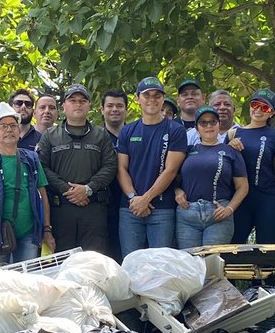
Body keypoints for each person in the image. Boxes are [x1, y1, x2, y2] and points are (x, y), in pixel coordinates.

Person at [37, 84, 117, 253]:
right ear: (64, 107)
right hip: (61, 211)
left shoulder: (101, 135)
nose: (78, 104)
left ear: (89, 106)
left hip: (93, 209)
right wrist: (67, 189)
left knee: (94, 263)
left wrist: (89, 188)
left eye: (82, 101)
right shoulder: (50, 135)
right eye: (72, 100)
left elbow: (110, 165)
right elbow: (42, 167)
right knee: (63, 264)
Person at [0, 103, 54, 263]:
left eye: (13, 125)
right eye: (3, 126)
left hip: (29, 233)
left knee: (26, 282)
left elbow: (42, 195)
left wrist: (47, 230)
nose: (9, 130)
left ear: (19, 130)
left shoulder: (31, 159)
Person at [116, 77, 188, 254]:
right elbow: (121, 168)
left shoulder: (175, 130)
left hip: (162, 210)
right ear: (137, 99)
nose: (152, 99)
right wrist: (134, 198)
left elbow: (170, 171)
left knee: (160, 265)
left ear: (163, 99)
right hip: (130, 208)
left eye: (157, 95)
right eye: (147, 95)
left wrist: (146, 199)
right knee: (131, 264)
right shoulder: (127, 130)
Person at [174, 106, 248, 247]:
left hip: (218, 213)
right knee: (188, 262)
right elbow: (174, 178)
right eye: (203, 123)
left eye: (213, 122)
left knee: (212, 263)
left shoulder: (231, 151)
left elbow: (243, 187)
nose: (208, 126)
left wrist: (229, 209)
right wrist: (177, 191)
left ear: (219, 125)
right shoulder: (187, 151)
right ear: (196, 128)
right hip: (188, 213)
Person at [232, 89, 275, 245]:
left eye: (265, 107)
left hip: (268, 198)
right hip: (240, 199)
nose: (259, 110)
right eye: (255, 104)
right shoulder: (233, 134)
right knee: (234, 246)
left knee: (267, 248)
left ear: (272, 113)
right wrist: (229, 147)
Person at [100, 88, 128, 259]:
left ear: (126, 109)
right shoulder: (94, 136)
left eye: (119, 105)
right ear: (102, 110)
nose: (115, 109)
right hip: (104, 205)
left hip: (132, 203)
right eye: (110, 106)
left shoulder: (135, 133)